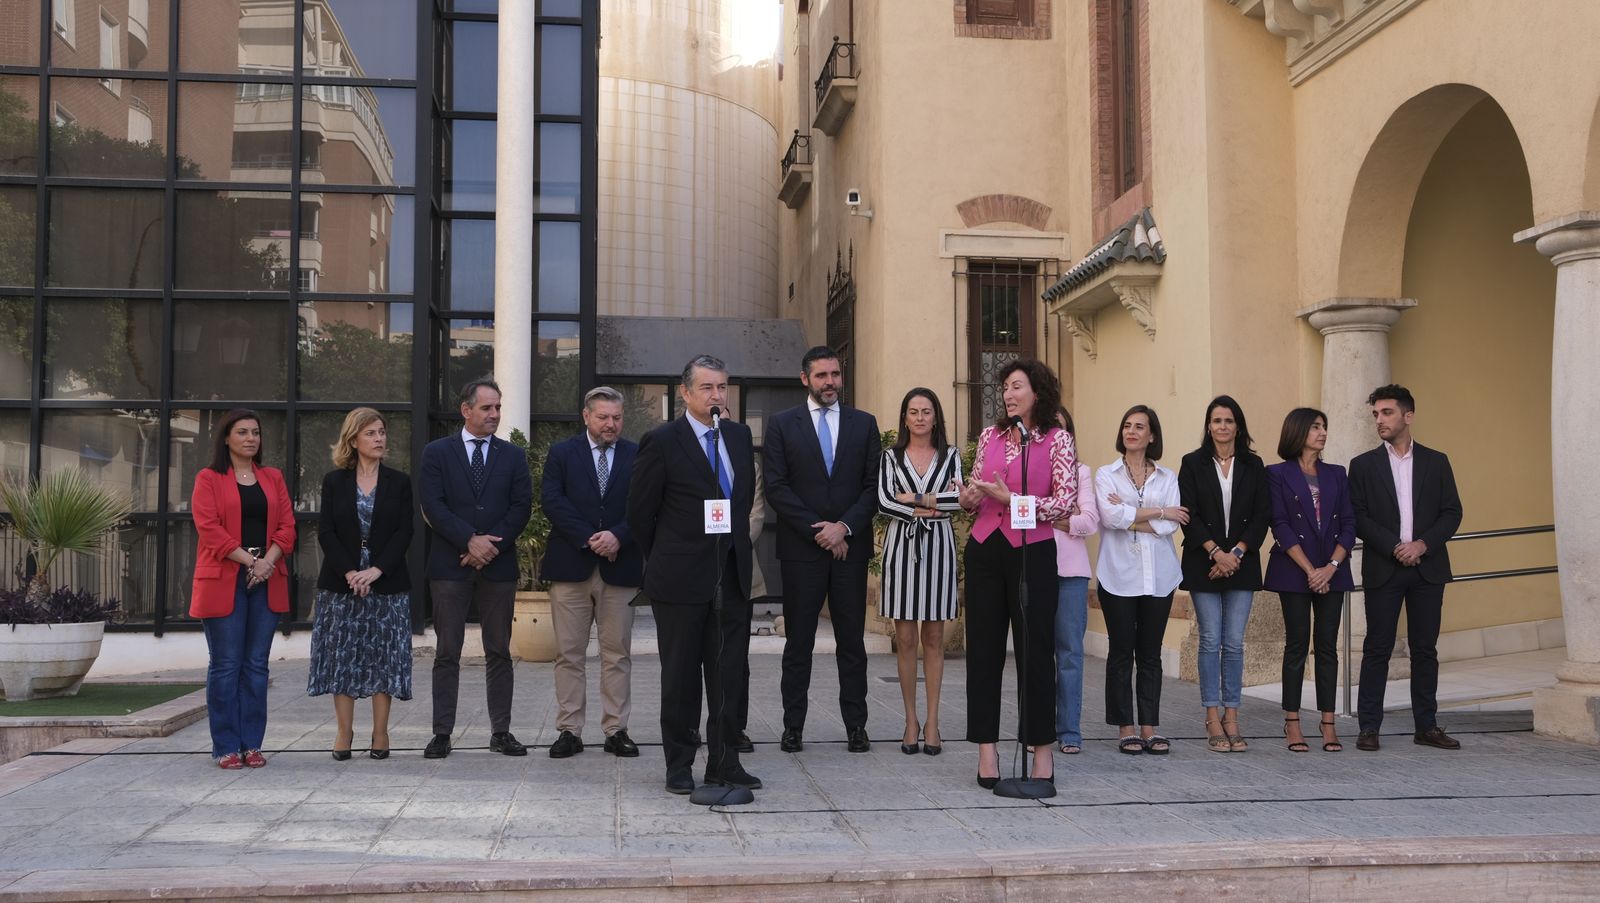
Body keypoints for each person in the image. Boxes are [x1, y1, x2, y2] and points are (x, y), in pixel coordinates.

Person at [627, 354, 761, 796]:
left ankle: (725, 762)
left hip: (731, 575)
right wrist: (668, 557)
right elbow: (640, 514)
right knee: (682, 678)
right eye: (707, 388)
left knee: (728, 677)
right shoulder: (662, 440)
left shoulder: (739, 437)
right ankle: (679, 764)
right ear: (685, 392)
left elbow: (740, 504)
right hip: (680, 581)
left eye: (722, 387)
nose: (716, 396)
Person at [959, 359, 1078, 787]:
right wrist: (970, 498)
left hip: (1034, 553)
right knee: (984, 654)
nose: (1007, 395)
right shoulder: (990, 435)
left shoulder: (1058, 440)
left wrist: (1014, 501)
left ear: (1037, 392)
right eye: (1004, 388)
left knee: (1035, 653)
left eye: (1016, 386)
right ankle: (986, 752)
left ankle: (1042, 752)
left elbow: (1065, 503)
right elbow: (977, 492)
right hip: (986, 550)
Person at [763, 345, 881, 754]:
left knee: (852, 643)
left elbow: (872, 487)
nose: (830, 382)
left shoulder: (864, 424)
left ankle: (856, 727)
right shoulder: (781, 425)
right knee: (799, 644)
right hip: (802, 550)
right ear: (805, 379)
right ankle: (792, 726)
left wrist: (844, 527)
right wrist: (822, 531)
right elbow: (776, 486)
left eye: (835, 374)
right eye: (821, 376)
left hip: (850, 548)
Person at [417, 378, 534, 760]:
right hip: (450, 565)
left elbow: (520, 508)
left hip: (498, 566)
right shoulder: (437, 453)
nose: (495, 415)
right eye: (487, 408)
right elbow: (433, 505)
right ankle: (441, 734)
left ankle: (501, 731)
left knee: (498, 649)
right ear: (466, 410)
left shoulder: (513, 456)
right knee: (447, 651)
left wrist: (488, 547)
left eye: (498, 407)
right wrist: (469, 540)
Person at [1348, 384, 1464, 752]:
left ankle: (1426, 726)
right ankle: (1369, 728)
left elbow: (1452, 512)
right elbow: (1358, 516)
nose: (1379, 420)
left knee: (1425, 649)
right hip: (1385, 567)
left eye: (1386, 413)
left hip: (1427, 568)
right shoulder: (1363, 465)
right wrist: (1395, 546)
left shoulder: (1437, 461)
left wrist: (1422, 544)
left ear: (1407, 416)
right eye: (1376, 414)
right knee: (1377, 649)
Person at [539, 386, 643, 760]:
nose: (610, 424)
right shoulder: (563, 453)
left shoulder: (637, 454)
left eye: (616, 417)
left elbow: (646, 504)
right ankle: (570, 730)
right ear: (586, 416)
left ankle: (616, 730)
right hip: (571, 566)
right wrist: (589, 537)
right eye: (603, 417)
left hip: (621, 566)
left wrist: (618, 535)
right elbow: (552, 500)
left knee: (617, 654)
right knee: (569, 653)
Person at [190, 409, 296, 769]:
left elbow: (287, 526)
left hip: (266, 578)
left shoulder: (273, 477)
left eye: (256, 432)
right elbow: (209, 529)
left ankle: (252, 744)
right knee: (226, 664)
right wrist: (251, 562)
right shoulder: (209, 478)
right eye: (242, 432)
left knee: (255, 666)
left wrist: (266, 562)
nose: (251, 438)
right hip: (226, 578)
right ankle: (225, 746)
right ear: (226, 439)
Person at [308, 408, 414, 761]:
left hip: (387, 583)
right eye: (371, 433)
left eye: (382, 432)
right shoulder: (334, 480)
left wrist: (377, 570)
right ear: (353, 440)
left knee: (383, 658)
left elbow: (405, 532)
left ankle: (381, 733)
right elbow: (326, 531)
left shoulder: (399, 482)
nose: (380, 439)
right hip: (342, 585)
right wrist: (350, 572)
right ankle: (344, 732)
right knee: (344, 659)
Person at [1177, 395, 1269, 753]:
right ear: (1209, 426)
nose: (1222, 427)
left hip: (1242, 561)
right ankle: (1212, 716)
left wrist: (1237, 553)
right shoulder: (1192, 463)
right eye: (1216, 421)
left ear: (1238, 426)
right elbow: (1190, 513)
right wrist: (1216, 552)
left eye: (1228, 420)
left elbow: (1263, 514)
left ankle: (1233, 716)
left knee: (1233, 643)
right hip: (1204, 562)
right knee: (1210, 639)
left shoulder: (1254, 464)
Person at [876, 388, 963, 756]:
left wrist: (913, 498)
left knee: (933, 638)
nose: (920, 418)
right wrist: (919, 509)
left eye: (926, 411)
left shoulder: (951, 456)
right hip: (901, 547)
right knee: (906, 639)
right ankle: (910, 720)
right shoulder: (890, 457)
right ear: (905, 417)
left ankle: (932, 722)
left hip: (939, 551)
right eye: (913, 411)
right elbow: (882, 499)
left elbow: (958, 498)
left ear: (935, 416)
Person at [1095, 405, 1186, 756]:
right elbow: (1110, 516)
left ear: (1152, 436)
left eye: (1139, 427)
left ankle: (1150, 726)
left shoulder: (1168, 477)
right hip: (1117, 575)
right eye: (1127, 426)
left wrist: (1132, 514)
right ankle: (1126, 727)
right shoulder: (1107, 474)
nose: (1131, 432)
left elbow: (1172, 525)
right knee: (1121, 652)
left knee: (1150, 654)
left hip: (1159, 578)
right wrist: (1158, 511)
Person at [1264, 407, 1355, 753]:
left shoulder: (1337, 473)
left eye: (1324, 427)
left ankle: (1328, 723)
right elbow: (1280, 524)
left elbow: (1349, 523)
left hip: (1332, 572)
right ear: (1299, 432)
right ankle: (1292, 723)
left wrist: (1330, 566)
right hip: (1294, 572)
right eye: (1316, 427)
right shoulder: (1276, 473)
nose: (1323, 433)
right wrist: (1309, 570)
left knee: (1328, 648)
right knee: (1297, 646)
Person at [1050, 405, 1098, 756]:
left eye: (1063, 429)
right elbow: (1022, 515)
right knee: (1035, 654)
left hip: (1071, 575)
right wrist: (1066, 514)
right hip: (1034, 571)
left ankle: (1069, 730)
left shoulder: (1082, 473)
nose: (1058, 435)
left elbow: (1089, 522)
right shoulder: (1029, 473)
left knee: (1069, 654)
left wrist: (1048, 516)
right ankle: (1035, 726)